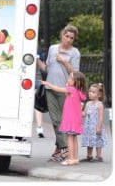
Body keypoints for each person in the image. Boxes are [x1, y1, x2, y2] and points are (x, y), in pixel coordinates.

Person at [37, 24, 80, 162]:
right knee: (56, 120)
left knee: (63, 122)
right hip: (50, 89)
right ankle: (64, 149)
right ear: (62, 35)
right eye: (66, 36)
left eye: (71, 38)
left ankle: (61, 150)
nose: (68, 40)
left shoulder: (75, 53)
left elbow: (75, 74)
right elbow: (47, 69)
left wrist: (64, 61)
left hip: (65, 91)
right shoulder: (53, 48)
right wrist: (36, 59)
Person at [41, 71, 86, 166]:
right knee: (74, 139)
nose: (68, 79)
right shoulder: (78, 91)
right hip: (76, 120)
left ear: (76, 81)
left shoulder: (70, 89)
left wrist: (47, 83)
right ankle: (75, 158)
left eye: (70, 78)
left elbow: (57, 89)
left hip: (70, 120)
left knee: (69, 138)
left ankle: (70, 158)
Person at [81, 83, 108, 162]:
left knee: (98, 140)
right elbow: (84, 114)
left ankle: (99, 156)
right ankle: (89, 155)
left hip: (96, 126)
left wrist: (99, 127)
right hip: (89, 127)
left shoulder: (99, 105)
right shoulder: (88, 104)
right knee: (89, 140)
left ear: (99, 95)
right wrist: (79, 109)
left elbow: (101, 117)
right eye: (90, 91)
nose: (90, 93)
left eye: (93, 92)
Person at [35, 50, 47, 138]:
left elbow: (44, 68)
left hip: (36, 81)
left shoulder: (39, 53)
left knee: (37, 103)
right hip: (34, 80)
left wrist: (37, 59)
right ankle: (39, 127)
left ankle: (39, 127)